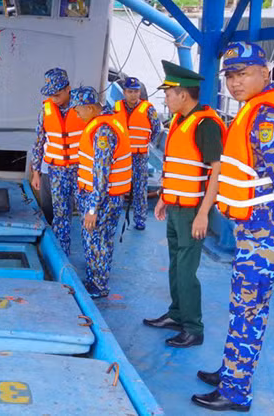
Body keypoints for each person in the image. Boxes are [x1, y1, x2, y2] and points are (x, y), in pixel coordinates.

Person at [192, 42, 274, 412]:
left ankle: (236, 392)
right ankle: (232, 369)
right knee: (243, 304)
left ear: (264, 73)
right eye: (230, 76)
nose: (235, 83)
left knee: (248, 308)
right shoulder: (262, 106)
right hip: (258, 226)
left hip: (268, 229)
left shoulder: (267, 117)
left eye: (243, 73)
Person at [142, 62, 225, 349]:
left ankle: (193, 328)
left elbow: (217, 171)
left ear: (183, 95)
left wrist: (204, 213)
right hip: (176, 206)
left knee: (187, 270)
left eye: (169, 93)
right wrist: (165, 196)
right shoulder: (178, 121)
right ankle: (177, 314)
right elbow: (178, 166)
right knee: (176, 264)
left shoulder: (206, 125)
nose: (165, 99)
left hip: (193, 210)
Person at [73, 86, 132, 298]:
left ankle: (98, 286)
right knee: (103, 240)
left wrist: (92, 208)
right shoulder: (111, 120)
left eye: (78, 111)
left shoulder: (103, 131)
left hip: (102, 198)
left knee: (96, 240)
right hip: (111, 196)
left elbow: (101, 172)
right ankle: (98, 280)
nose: (77, 115)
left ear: (89, 108)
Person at [30, 68, 83, 255]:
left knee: (85, 213)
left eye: (57, 94)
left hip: (80, 170)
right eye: (50, 95)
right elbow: (39, 142)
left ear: (68, 89)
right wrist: (36, 171)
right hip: (55, 170)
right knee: (59, 215)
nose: (54, 98)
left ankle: (91, 257)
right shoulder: (45, 111)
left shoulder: (84, 107)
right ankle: (63, 255)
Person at [113, 77, 160, 230]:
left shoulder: (148, 109)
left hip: (140, 156)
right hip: (121, 155)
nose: (133, 95)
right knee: (118, 187)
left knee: (140, 188)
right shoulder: (116, 107)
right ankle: (114, 216)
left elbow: (156, 129)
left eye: (136, 91)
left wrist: (145, 143)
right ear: (124, 92)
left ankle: (140, 219)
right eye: (130, 91)